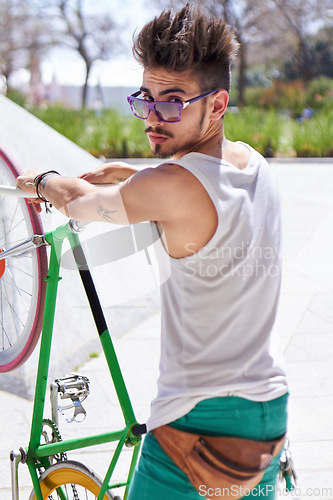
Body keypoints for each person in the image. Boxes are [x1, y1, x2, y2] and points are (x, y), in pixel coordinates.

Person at [17, 4, 288, 499]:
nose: (153, 117)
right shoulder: (253, 163)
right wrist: (137, 175)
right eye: (146, 98)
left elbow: (79, 201)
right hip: (268, 414)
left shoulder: (173, 185)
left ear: (218, 104)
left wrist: (43, 181)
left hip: (199, 425)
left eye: (173, 102)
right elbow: (197, 177)